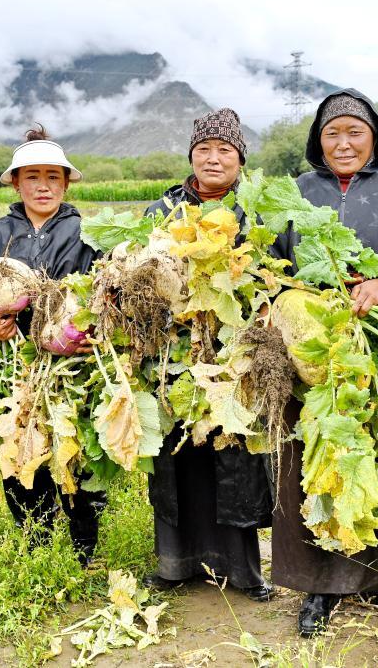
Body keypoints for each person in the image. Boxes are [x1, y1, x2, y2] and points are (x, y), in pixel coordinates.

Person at [270, 89, 378, 637]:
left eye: (354, 133)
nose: (343, 143)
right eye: (332, 134)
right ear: (318, 142)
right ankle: (321, 586)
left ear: (374, 139)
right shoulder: (295, 194)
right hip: (318, 356)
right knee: (320, 462)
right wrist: (302, 295)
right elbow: (269, 265)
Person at [141, 108, 275, 603]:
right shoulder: (165, 207)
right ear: (191, 157)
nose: (214, 158)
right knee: (179, 456)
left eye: (225, 150)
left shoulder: (255, 210)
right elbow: (142, 271)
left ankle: (243, 572)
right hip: (174, 352)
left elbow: (273, 272)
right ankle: (176, 565)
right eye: (204, 150)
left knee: (233, 452)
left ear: (239, 158)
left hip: (235, 353)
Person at [0, 125, 105, 564]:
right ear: (15, 182)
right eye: (31, 176)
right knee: (20, 451)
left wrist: (95, 335)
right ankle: (37, 545)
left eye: (52, 177)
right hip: (9, 366)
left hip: (70, 370)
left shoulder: (90, 234)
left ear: (65, 182)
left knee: (74, 452)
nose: (43, 186)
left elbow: (106, 300)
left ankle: (84, 549)